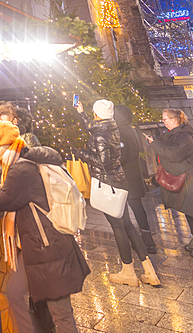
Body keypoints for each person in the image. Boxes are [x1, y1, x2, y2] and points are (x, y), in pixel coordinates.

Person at [0, 120, 90, 333]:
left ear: (8, 145)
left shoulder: (19, 169)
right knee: (15, 293)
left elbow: (5, 200)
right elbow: (16, 195)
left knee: (63, 318)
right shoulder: (27, 161)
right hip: (42, 250)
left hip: (49, 251)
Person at [75, 99, 160, 287]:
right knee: (127, 224)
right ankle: (149, 271)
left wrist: (81, 154)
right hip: (120, 179)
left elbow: (103, 161)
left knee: (118, 226)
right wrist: (82, 114)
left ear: (97, 114)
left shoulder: (100, 133)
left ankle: (128, 272)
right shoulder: (113, 127)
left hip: (108, 183)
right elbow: (95, 129)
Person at [145, 109, 193, 253]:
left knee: (190, 211)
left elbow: (173, 154)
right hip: (183, 177)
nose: (163, 121)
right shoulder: (175, 133)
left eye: (165, 119)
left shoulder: (184, 136)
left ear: (173, 120)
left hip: (187, 179)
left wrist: (154, 144)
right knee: (188, 211)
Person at [113, 105, 156, 254]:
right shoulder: (131, 129)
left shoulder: (120, 132)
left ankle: (142, 242)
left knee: (128, 209)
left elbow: (122, 156)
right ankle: (147, 238)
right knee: (138, 208)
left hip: (126, 178)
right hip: (135, 175)